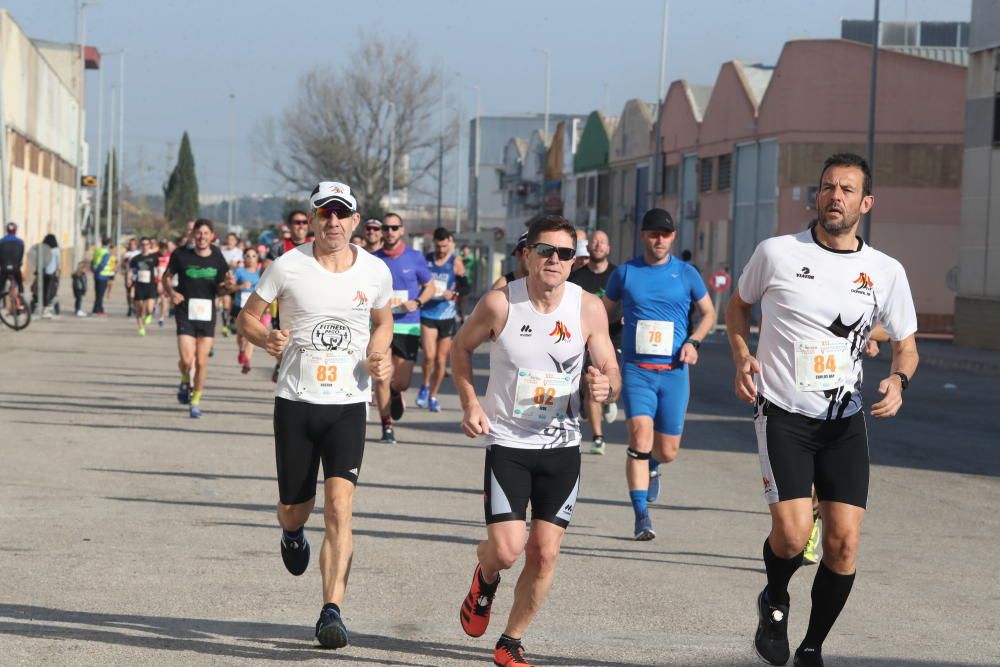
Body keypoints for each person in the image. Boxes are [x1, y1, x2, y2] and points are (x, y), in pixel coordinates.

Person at [726, 153, 918, 667]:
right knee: (791, 537)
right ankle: (774, 598)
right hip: (783, 411)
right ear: (816, 195)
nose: (836, 196)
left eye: (848, 190)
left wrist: (899, 381)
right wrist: (743, 355)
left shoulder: (884, 271)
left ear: (866, 203)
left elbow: (907, 343)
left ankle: (811, 647)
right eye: (828, 187)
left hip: (844, 420)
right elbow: (739, 305)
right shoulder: (777, 253)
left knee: (843, 545)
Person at [452, 214, 620, 667]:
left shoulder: (587, 308)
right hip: (508, 444)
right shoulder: (500, 303)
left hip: (562, 448)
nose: (554, 260)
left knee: (544, 554)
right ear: (527, 253)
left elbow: (610, 367)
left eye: (565, 253)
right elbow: (459, 348)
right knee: (507, 551)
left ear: (574, 260)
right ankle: (484, 577)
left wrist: (607, 386)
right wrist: (470, 402)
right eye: (545, 250)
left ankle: (510, 641)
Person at [236, 181, 393, 650]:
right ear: (313, 218)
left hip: (347, 404)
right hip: (297, 402)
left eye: (341, 214)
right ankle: (290, 533)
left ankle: (332, 610)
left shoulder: (374, 271)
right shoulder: (287, 266)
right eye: (324, 214)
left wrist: (380, 353)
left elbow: (382, 321)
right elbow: (248, 316)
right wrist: (266, 340)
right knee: (294, 507)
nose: (332, 223)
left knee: (341, 508)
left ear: (354, 220)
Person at [602, 209, 717, 540]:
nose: (659, 238)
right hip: (637, 370)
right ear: (642, 236)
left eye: (665, 233)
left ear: (673, 237)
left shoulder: (687, 274)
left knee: (667, 451)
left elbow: (709, 313)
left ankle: (653, 466)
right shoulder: (625, 274)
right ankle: (641, 517)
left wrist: (694, 341)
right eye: (653, 233)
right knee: (639, 435)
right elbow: (603, 314)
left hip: (674, 372)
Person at [162, 219, 235, 418]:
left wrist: (229, 285)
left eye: (205, 233)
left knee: (202, 362)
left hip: (207, 313)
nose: (202, 236)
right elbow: (165, 278)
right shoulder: (180, 255)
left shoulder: (218, 257)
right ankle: (185, 378)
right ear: (193, 235)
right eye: (198, 233)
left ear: (211, 235)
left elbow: (223, 288)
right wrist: (172, 293)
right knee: (187, 360)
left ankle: (195, 401)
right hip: (185, 311)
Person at [372, 212, 433, 443]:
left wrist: (417, 302)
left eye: (394, 228)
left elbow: (429, 286)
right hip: (381, 324)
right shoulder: (374, 259)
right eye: (385, 228)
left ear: (401, 230)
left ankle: (396, 393)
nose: (389, 232)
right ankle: (386, 425)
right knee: (381, 377)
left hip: (408, 325)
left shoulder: (415, 257)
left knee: (402, 382)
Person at [569, 230, 622, 455]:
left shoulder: (618, 275)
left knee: (608, 379)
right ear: (588, 247)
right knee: (591, 383)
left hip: (614, 335)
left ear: (609, 249)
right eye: (594, 242)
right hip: (585, 339)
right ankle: (598, 436)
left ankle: (609, 399)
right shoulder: (577, 277)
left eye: (603, 242)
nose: (599, 245)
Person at [416, 227, 467, 412]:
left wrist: (453, 293)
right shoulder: (425, 260)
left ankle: (433, 395)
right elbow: (415, 281)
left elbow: (465, 288)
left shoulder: (456, 262)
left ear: (449, 244)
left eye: (445, 247)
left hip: (447, 315)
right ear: (434, 243)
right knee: (429, 356)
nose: (442, 251)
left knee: (440, 360)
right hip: (428, 313)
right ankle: (425, 386)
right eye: (438, 247)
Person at [232, 246, 262, 374]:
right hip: (240, 306)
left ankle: (247, 361)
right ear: (243, 258)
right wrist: (240, 286)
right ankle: (241, 350)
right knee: (241, 335)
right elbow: (231, 287)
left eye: (253, 256)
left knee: (251, 336)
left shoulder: (261, 273)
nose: (250, 258)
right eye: (248, 256)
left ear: (257, 258)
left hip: (255, 308)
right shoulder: (239, 272)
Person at [126, 238, 160, 336]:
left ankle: (149, 315)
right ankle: (141, 327)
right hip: (139, 285)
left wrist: (160, 281)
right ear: (140, 246)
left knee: (149, 308)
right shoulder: (136, 259)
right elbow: (130, 270)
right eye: (143, 244)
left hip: (151, 285)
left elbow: (158, 270)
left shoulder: (154, 257)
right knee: (139, 309)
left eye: (146, 244)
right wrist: (129, 279)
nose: (144, 246)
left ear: (150, 246)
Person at [0, 222, 25, 314]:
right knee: (20, 282)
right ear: (15, 230)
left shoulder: (1, 241)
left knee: (1, 286)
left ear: (7, 230)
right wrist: (19, 264)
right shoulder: (20, 242)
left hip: (4, 268)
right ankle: (22, 299)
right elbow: (21, 255)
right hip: (16, 268)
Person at [91, 236, 115, 316]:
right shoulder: (106, 252)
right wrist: (98, 271)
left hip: (97, 275)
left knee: (98, 293)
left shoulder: (97, 251)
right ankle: (98, 310)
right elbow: (103, 264)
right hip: (102, 275)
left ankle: (96, 309)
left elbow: (93, 261)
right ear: (109, 243)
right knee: (100, 294)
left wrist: (94, 271)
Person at [121, 238, 140, 317]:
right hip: (128, 274)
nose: (132, 246)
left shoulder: (139, 253)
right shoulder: (126, 254)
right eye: (130, 244)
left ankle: (135, 307)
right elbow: (123, 264)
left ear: (136, 245)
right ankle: (130, 307)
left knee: (136, 292)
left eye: (133, 244)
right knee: (129, 292)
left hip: (138, 274)